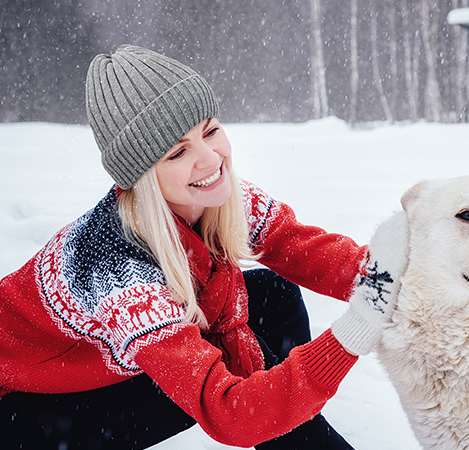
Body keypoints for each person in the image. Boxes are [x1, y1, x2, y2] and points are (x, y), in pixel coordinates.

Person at [0, 45, 409, 450]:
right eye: (178, 152)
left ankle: (290, 417)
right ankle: (287, 419)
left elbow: (299, 248)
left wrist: (395, 279)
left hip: (87, 371)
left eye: (210, 130)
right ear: (142, 177)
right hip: (27, 414)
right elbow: (229, 414)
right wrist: (350, 335)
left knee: (273, 295)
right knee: (218, 365)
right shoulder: (119, 275)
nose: (210, 158)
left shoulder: (212, 195)